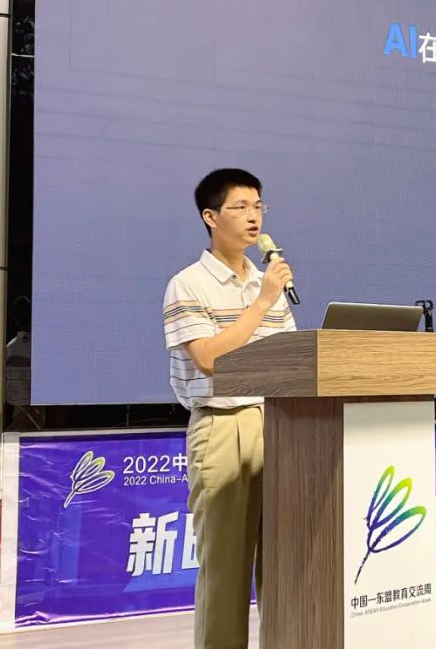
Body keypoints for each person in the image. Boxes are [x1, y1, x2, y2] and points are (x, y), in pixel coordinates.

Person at [162, 168, 295, 649]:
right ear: (211, 216)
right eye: (241, 207)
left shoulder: (265, 283)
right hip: (223, 426)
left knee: (284, 564)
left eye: (259, 206)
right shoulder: (189, 284)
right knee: (225, 568)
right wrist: (261, 303)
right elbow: (210, 359)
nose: (254, 216)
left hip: (280, 427)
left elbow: (291, 359)